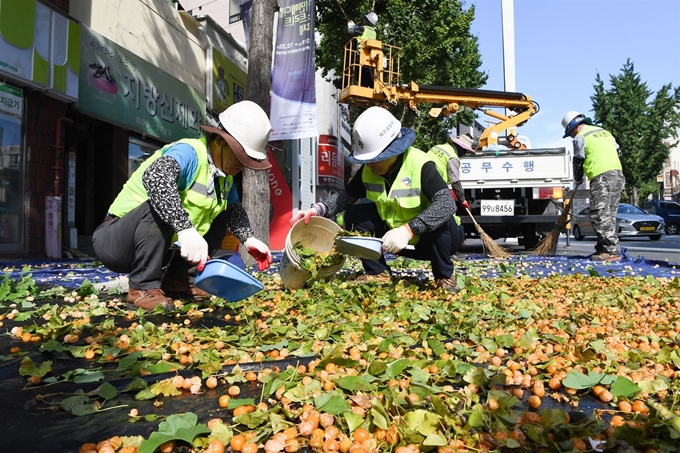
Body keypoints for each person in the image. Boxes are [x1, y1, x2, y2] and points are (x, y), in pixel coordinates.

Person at [93, 100, 274, 310]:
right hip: (116, 241)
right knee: (162, 199)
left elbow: (234, 210)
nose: (243, 165)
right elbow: (156, 178)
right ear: (219, 141)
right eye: (240, 156)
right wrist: (185, 229)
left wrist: (249, 239)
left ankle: (177, 281)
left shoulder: (225, 177)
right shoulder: (189, 152)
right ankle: (141, 287)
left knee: (221, 215)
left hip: (160, 250)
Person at [291, 106, 465, 292]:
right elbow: (344, 198)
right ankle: (378, 272)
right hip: (393, 241)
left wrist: (408, 231)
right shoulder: (368, 171)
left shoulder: (421, 164)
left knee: (440, 219)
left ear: (393, 149)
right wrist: (317, 209)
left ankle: (444, 277)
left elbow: (446, 204)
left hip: (437, 242)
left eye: (376, 158)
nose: (370, 164)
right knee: (355, 215)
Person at [562, 110, 625, 261]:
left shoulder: (580, 137)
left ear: (575, 128)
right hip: (618, 175)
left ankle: (611, 251)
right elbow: (619, 152)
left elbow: (578, 161)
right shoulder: (605, 132)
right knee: (609, 215)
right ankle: (603, 248)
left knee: (599, 214)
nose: (571, 135)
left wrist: (577, 178)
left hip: (601, 176)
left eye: (570, 133)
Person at [427, 136, 471, 215]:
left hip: (422, 180)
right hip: (434, 184)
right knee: (447, 210)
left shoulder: (437, 147)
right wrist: (462, 200)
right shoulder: (453, 157)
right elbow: (455, 181)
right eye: (465, 151)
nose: (464, 154)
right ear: (460, 147)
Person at [347, 11, 378, 88]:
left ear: (367, 21)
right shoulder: (373, 32)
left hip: (361, 56)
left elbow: (351, 32)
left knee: (361, 77)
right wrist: (355, 26)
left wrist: (350, 26)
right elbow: (360, 30)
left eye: (364, 19)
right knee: (369, 76)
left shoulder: (363, 28)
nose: (363, 21)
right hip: (371, 58)